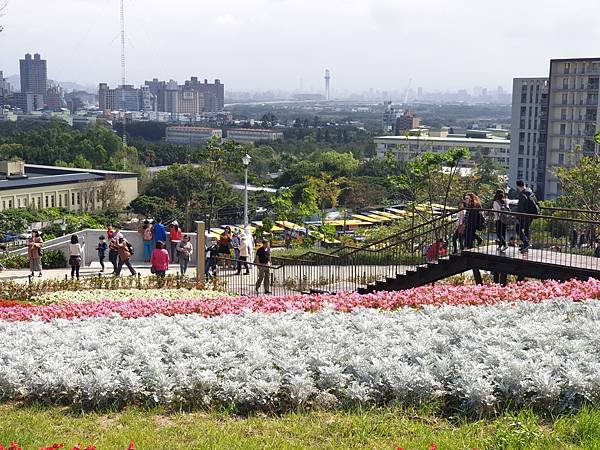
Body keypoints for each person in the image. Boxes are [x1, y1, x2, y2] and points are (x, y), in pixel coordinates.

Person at [515, 180, 540, 254]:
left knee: (518, 228)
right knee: (526, 229)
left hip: (525, 215)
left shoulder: (522, 194)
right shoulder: (530, 191)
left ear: (517, 186)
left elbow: (521, 207)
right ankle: (525, 245)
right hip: (531, 214)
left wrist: (518, 217)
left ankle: (526, 243)